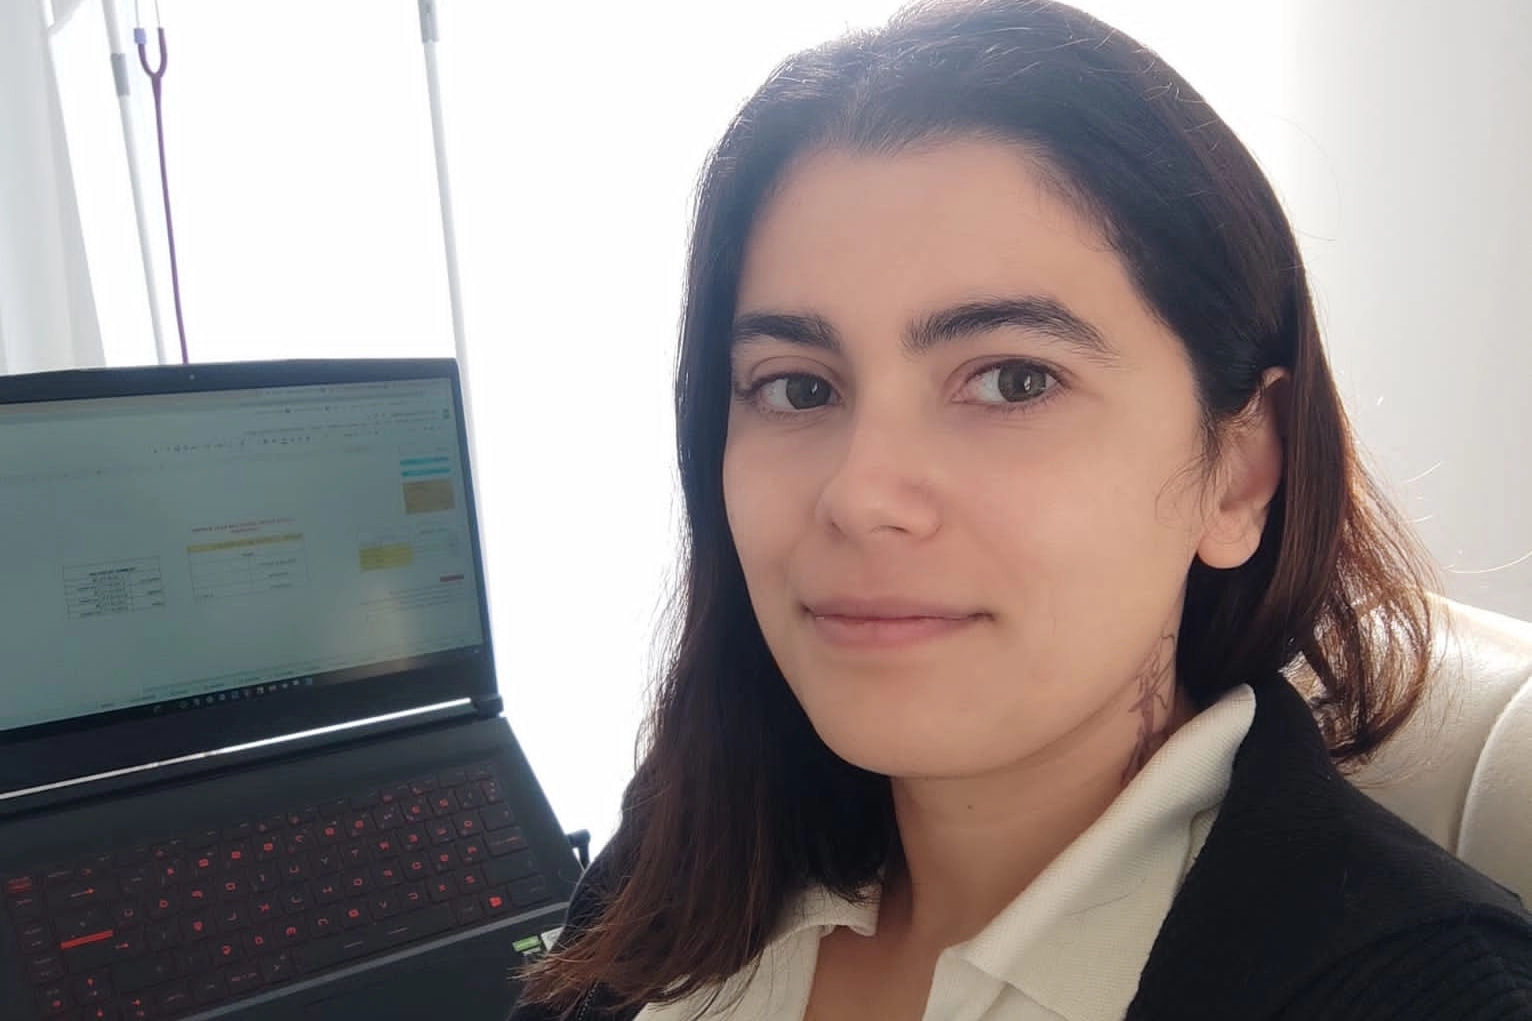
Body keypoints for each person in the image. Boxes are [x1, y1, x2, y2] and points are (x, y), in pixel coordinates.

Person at [510, 1, 1532, 1018]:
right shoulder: (687, 850)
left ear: (1238, 471)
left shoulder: (1433, 996)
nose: (860, 496)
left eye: (1012, 381)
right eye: (797, 387)